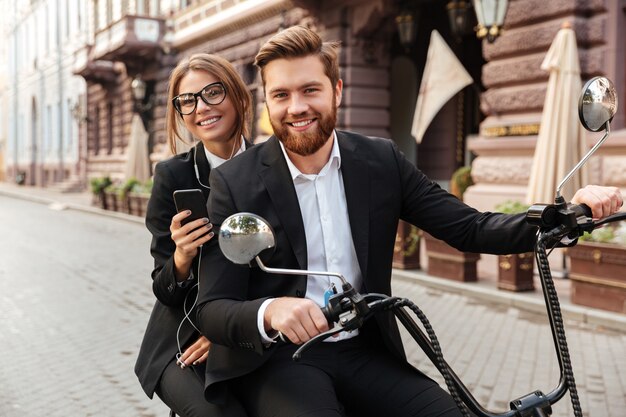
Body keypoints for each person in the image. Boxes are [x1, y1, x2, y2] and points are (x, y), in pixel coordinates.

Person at [195, 26, 624, 417]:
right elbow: (212, 309)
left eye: (310, 89)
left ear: (337, 90)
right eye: (282, 95)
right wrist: (272, 311)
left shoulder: (380, 161)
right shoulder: (235, 182)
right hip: (282, 361)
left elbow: (469, 227)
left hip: (366, 348)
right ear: (267, 100)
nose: (297, 107)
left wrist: (569, 212)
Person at [134, 53, 252, 417]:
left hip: (251, 330)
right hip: (181, 337)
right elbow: (163, 288)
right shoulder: (173, 176)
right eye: (187, 100)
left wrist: (227, 334)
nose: (201, 107)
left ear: (237, 96)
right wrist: (182, 257)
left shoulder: (272, 168)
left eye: (213, 92)